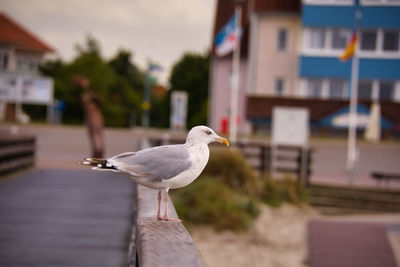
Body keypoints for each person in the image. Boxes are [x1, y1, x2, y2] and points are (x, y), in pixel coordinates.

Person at [74, 75, 105, 158]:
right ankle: (98, 153)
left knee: (95, 136)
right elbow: (100, 102)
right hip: (95, 117)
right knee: (97, 136)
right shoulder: (88, 94)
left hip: (92, 117)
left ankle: (97, 154)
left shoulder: (86, 94)